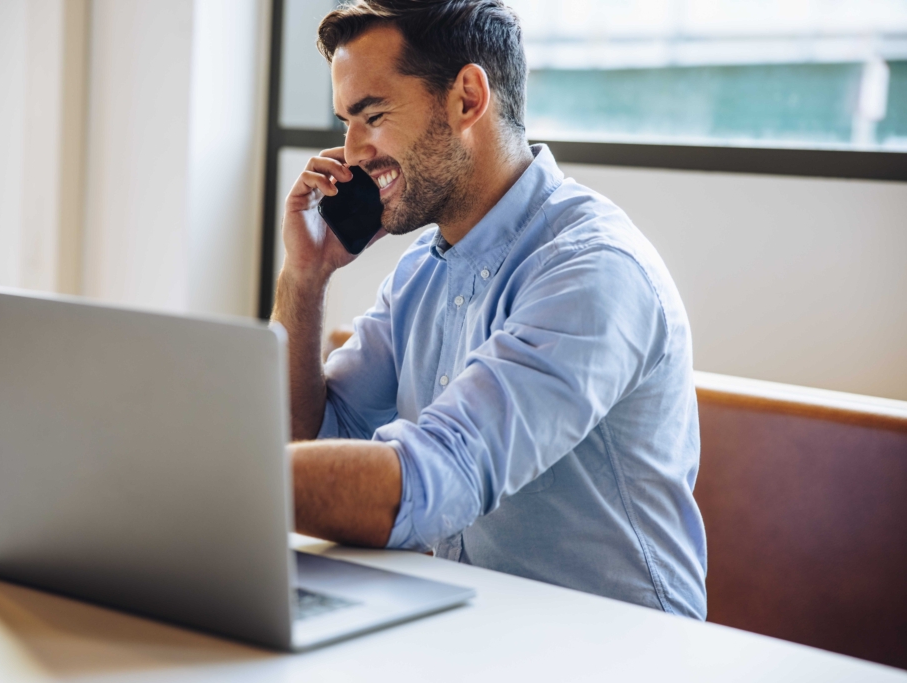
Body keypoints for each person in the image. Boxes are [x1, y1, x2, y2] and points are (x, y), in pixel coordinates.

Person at [272, 0, 707, 619]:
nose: (351, 152)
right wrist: (304, 277)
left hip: (616, 649)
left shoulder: (593, 270)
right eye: (345, 123)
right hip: (470, 624)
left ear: (467, 99)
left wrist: (226, 477)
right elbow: (307, 439)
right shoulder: (422, 271)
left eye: (372, 116)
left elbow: (436, 479)